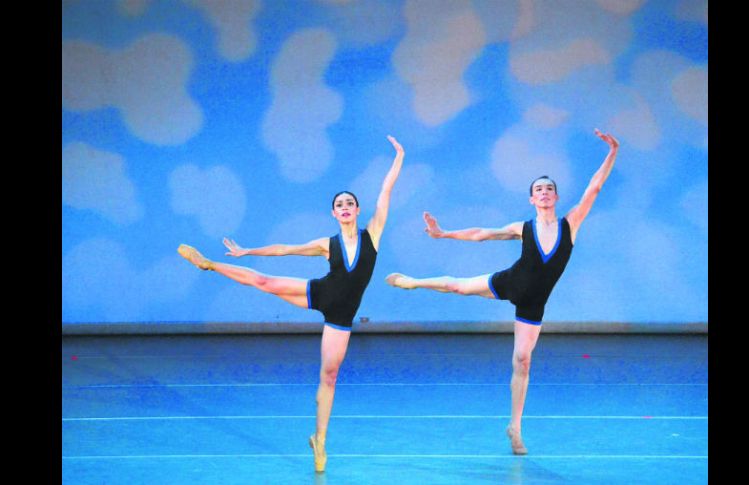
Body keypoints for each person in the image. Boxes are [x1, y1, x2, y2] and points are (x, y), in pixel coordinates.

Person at [178, 135, 405, 473]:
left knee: (329, 377)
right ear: (334, 212)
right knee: (265, 281)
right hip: (321, 292)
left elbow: (386, 192)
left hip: (342, 316)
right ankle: (211, 264)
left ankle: (320, 441)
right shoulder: (326, 244)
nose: (345, 206)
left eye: (350, 203)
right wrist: (247, 251)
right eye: (339, 204)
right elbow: (285, 248)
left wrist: (399, 155)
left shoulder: (373, 234)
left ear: (357, 210)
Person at [385, 129, 619, 455]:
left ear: (556, 197)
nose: (545, 192)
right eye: (539, 189)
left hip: (534, 303)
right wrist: (443, 234)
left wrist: (612, 151)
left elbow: (594, 188)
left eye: (550, 188)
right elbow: (482, 234)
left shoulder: (571, 224)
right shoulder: (521, 228)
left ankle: (516, 427)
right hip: (511, 282)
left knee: (522, 360)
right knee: (457, 286)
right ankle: (413, 281)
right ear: (531, 199)